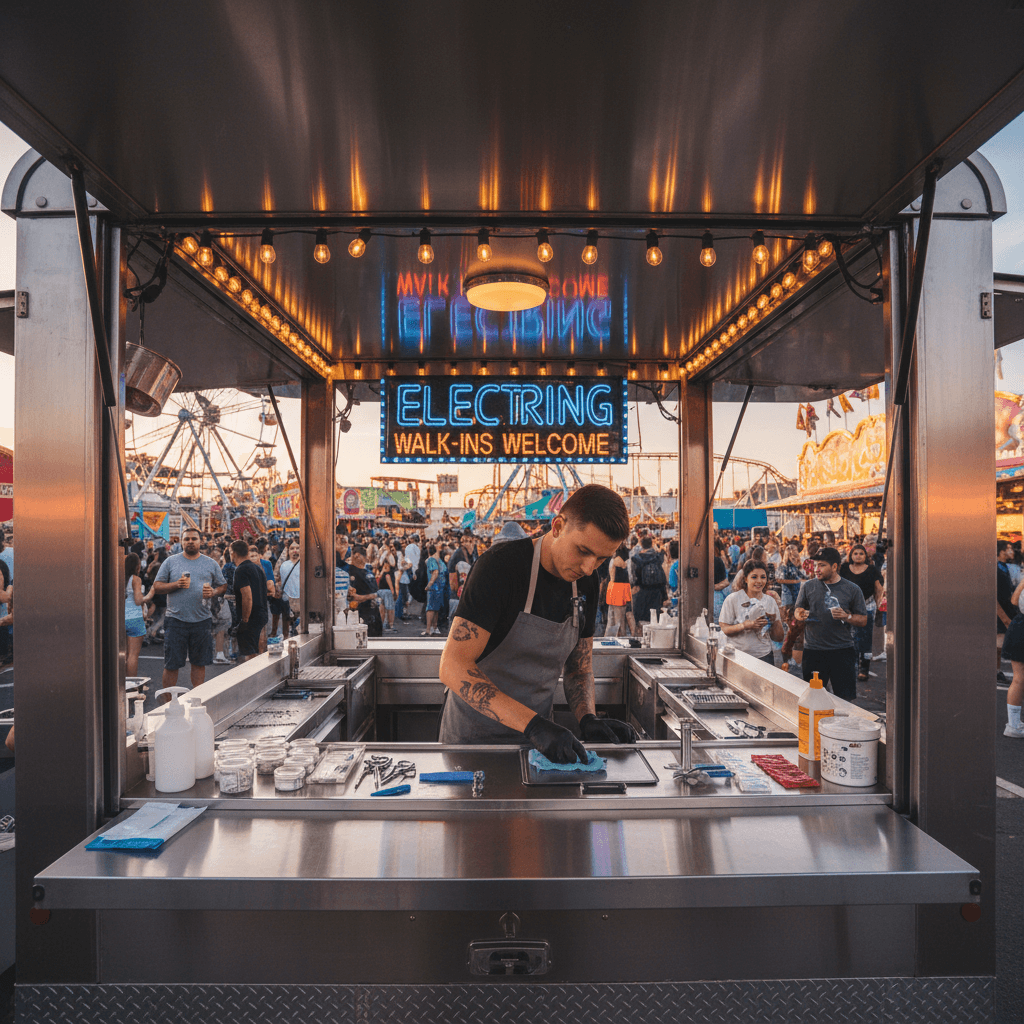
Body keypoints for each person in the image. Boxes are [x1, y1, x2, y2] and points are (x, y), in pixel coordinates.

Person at [438, 483, 636, 760]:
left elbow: (579, 669)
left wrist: (588, 718)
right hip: (473, 741)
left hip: (542, 746)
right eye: (582, 550)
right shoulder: (499, 568)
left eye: (602, 559)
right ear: (557, 526)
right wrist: (533, 725)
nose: (588, 567)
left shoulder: (586, 583)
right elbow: (453, 665)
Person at [152, 527, 228, 696]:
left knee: (199, 663)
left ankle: (196, 701)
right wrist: (175, 585)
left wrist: (214, 592)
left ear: (200, 541)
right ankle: (168, 706)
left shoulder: (210, 563)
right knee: (171, 665)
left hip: (202, 621)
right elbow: (157, 586)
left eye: (194, 539)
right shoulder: (171, 562)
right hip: (175, 620)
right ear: (181, 541)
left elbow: (223, 585)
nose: (190, 542)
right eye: (187, 539)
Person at [793, 546, 868, 701]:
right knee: (812, 701)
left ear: (834, 567)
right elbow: (798, 609)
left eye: (821, 565)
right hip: (814, 652)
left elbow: (863, 620)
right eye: (815, 565)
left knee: (845, 700)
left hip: (842, 652)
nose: (816, 569)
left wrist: (847, 616)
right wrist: (800, 614)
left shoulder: (852, 589)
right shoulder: (808, 586)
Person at [718, 559, 784, 666]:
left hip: (764, 657)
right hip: (737, 657)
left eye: (763, 577)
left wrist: (774, 621)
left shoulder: (770, 601)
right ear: (745, 579)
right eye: (754, 577)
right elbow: (725, 629)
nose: (759, 581)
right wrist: (745, 625)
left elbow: (778, 637)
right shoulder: (733, 599)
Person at [839, 544, 885, 681]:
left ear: (866, 556)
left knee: (865, 641)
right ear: (851, 556)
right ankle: (848, 667)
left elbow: (878, 590)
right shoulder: (844, 568)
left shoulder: (872, 570)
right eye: (855, 553)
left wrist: (879, 608)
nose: (858, 556)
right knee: (846, 638)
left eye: (861, 554)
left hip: (867, 607)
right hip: (847, 609)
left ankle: (864, 668)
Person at [231, 539, 269, 661]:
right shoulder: (257, 568)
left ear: (233, 553)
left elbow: (247, 597)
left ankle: (253, 679)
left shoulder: (241, 570)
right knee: (257, 651)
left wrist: (244, 620)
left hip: (251, 617)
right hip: (261, 614)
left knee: (250, 654)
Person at [1001, 572, 1024, 738]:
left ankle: (1014, 725)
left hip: (1018, 625)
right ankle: (1014, 726)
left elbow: (1014, 601)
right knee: (1019, 679)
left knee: (1018, 678)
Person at [343, 545, 383, 637]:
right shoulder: (349, 572)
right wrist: (371, 596)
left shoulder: (368, 571)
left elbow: (376, 591)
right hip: (360, 616)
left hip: (374, 615)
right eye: (364, 556)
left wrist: (372, 596)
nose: (366, 558)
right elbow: (353, 597)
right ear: (357, 555)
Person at [631, 535, 668, 628]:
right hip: (657, 592)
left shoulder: (637, 558)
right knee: (655, 619)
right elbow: (662, 575)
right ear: (652, 544)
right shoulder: (658, 557)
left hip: (642, 591)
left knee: (641, 619)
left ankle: (642, 638)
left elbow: (634, 575)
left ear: (641, 545)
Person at [998, 540, 1017, 683]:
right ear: (1002, 551)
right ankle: (997, 671)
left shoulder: (1005, 567)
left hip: (1008, 611)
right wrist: (1004, 617)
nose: (1012, 551)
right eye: (1009, 548)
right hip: (1000, 613)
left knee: (1000, 644)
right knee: (999, 644)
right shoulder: (996, 568)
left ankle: (998, 671)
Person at [124, 553, 146, 676]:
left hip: (120, 619)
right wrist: (146, 597)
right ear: (137, 566)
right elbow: (138, 600)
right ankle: (131, 687)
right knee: (133, 656)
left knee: (122, 655)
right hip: (135, 619)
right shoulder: (136, 579)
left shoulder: (118, 577)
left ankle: (119, 685)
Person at [605, 543, 633, 637]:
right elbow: (625, 567)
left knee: (612, 620)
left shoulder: (613, 559)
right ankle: (620, 641)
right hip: (619, 591)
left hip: (614, 589)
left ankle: (608, 640)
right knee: (619, 622)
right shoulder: (618, 560)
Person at [277, 541, 302, 636]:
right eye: (292, 548)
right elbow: (277, 577)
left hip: (301, 601)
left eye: (297, 548)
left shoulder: (306, 564)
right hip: (287, 601)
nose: (294, 551)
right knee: (287, 629)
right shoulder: (284, 564)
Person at [423, 544, 446, 636]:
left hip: (434, 588)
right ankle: (435, 628)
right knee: (436, 609)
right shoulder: (439, 560)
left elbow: (435, 572)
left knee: (430, 609)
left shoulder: (431, 560)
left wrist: (429, 585)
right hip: (440, 587)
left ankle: (428, 629)